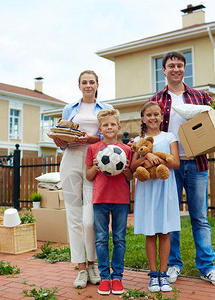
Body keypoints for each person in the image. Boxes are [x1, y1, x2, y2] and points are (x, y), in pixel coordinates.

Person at [149, 51, 215, 287]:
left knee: (200, 217)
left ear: (184, 68)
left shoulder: (200, 96)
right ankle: (173, 264)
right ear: (164, 70)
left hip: (197, 163)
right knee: (171, 218)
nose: (176, 69)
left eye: (180, 65)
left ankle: (207, 267)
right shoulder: (157, 99)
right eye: (171, 65)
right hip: (169, 166)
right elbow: (148, 127)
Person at [51, 70, 112, 289]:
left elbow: (110, 136)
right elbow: (62, 140)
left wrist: (94, 138)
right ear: (79, 86)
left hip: (93, 163)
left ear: (97, 85)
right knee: (74, 217)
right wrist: (61, 140)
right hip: (70, 161)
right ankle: (81, 269)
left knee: (89, 220)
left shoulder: (105, 109)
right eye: (84, 82)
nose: (88, 85)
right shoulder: (70, 109)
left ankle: (92, 264)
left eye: (91, 82)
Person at [130, 102, 181, 293]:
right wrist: (146, 158)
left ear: (162, 117)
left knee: (165, 231)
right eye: (149, 115)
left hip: (164, 188)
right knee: (150, 232)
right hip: (147, 190)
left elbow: (175, 162)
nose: (153, 118)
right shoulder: (139, 140)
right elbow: (133, 167)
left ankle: (163, 274)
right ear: (143, 118)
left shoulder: (170, 137)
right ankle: (153, 276)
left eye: (156, 114)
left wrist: (157, 159)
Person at [85, 108, 133, 295]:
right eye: (105, 125)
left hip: (121, 199)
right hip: (100, 199)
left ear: (119, 126)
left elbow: (130, 176)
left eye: (113, 124)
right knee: (102, 238)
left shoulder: (126, 150)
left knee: (119, 239)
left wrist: (126, 168)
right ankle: (105, 277)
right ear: (100, 128)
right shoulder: (93, 149)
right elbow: (88, 176)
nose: (109, 127)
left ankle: (118, 277)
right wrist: (97, 167)